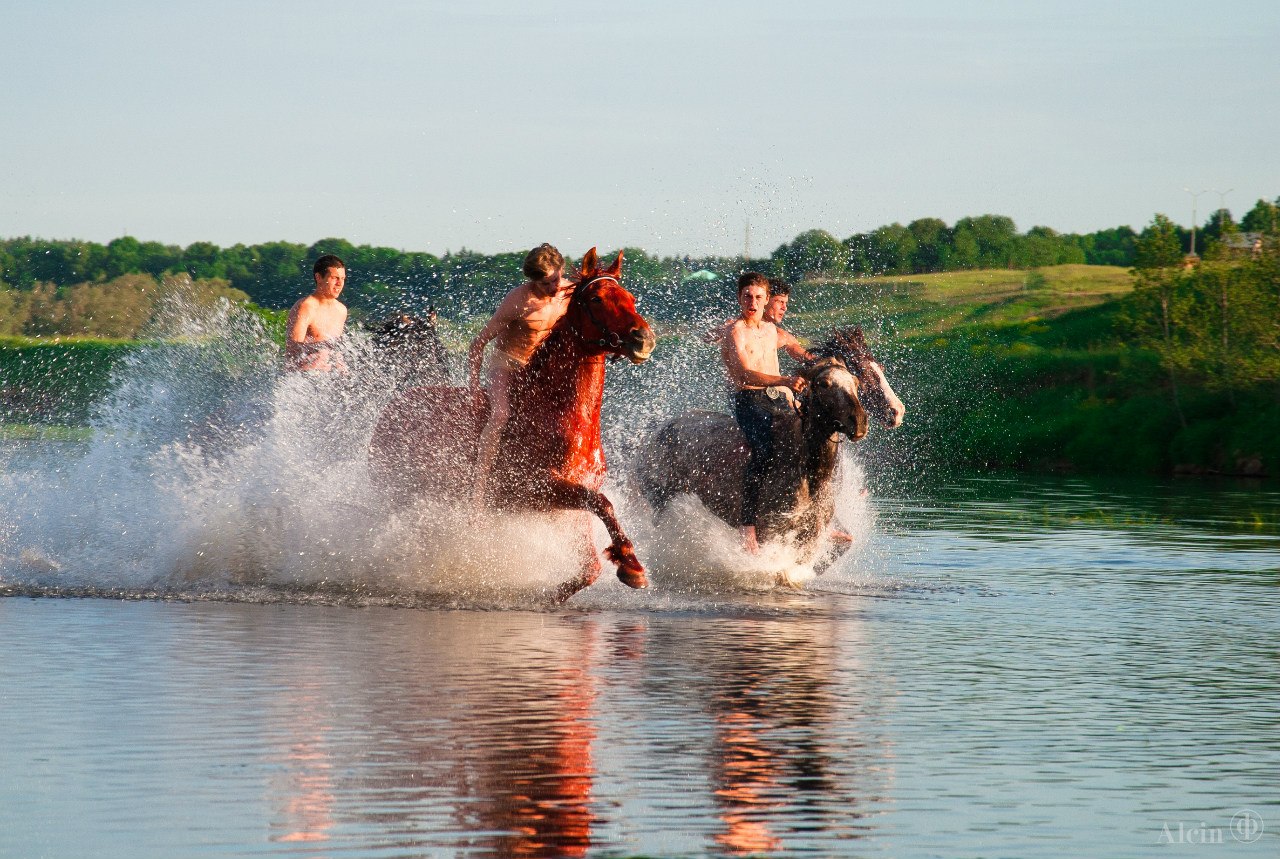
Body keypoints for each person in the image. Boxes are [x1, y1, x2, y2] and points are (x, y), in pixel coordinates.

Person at [467, 243, 575, 508]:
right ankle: (479, 491)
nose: (552, 288)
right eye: (544, 283)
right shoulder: (518, 300)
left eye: (555, 280)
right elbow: (477, 344)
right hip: (507, 365)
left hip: (541, 371)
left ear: (561, 270)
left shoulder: (569, 292)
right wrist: (473, 385)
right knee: (501, 414)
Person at [720, 272, 807, 553]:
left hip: (780, 401)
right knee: (764, 451)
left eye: (758, 297)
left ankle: (824, 515)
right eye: (747, 296)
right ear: (739, 298)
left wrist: (832, 362)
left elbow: (803, 354)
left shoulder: (773, 332)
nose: (752, 302)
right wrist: (784, 381)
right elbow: (744, 372)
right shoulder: (734, 331)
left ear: (766, 300)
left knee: (814, 438)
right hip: (750, 400)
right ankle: (748, 528)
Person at [286, 255, 348, 372]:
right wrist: (321, 346)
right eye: (335, 278)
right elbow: (292, 349)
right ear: (319, 277)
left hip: (333, 379)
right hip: (304, 379)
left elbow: (336, 351)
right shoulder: (305, 306)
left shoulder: (341, 310)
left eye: (343, 278)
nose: (340, 283)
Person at [764, 277, 815, 363]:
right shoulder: (738, 329)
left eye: (786, 303)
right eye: (780, 302)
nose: (785, 308)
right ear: (765, 299)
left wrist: (827, 363)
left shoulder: (781, 335)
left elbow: (802, 354)